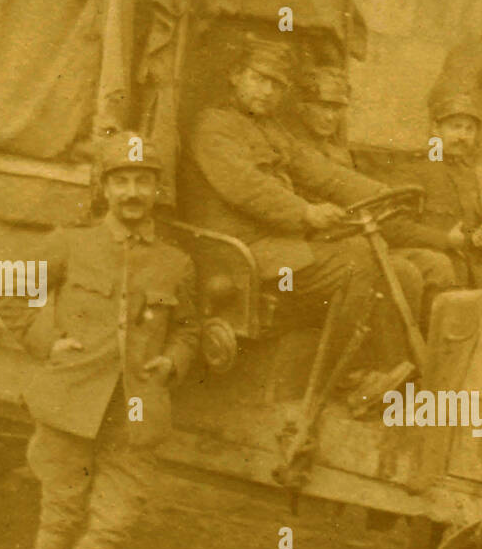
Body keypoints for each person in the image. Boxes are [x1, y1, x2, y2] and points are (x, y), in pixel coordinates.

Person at [0, 131, 199, 549]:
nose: (133, 191)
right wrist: (47, 341)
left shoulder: (176, 263)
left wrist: (174, 362)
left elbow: (190, 328)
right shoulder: (70, 244)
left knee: (112, 526)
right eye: (122, 180)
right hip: (69, 401)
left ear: (157, 189)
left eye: (143, 180)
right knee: (59, 517)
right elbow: (11, 294)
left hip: (136, 412)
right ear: (106, 189)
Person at [178, 35, 423, 382]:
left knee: (404, 272)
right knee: (359, 262)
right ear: (235, 75)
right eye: (259, 79)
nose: (267, 91)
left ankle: (391, 370)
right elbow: (246, 187)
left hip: (284, 247)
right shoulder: (213, 126)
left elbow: (321, 172)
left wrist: (385, 193)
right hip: (244, 254)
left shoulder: (270, 129)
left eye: (277, 85)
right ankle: (341, 375)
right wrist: (304, 212)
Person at [387, 91, 482, 306]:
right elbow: (392, 227)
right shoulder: (414, 169)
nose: (463, 136)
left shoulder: (467, 174)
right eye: (455, 127)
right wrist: (445, 240)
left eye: (469, 129)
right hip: (425, 275)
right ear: (435, 129)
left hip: (463, 275)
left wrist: (480, 239)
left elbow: (471, 232)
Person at [425, 28, 482, 140]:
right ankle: (447, 156)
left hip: (437, 93)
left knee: (437, 132)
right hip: (459, 98)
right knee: (454, 136)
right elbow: (481, 83)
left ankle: (434, 155)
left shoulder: (458, 48)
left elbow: (446, 68)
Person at [285, 66, 354, 168]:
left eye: (337, 109)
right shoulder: (287, 149)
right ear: (302, 106)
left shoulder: (340, 156)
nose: (330, 117)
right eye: (323, 107)